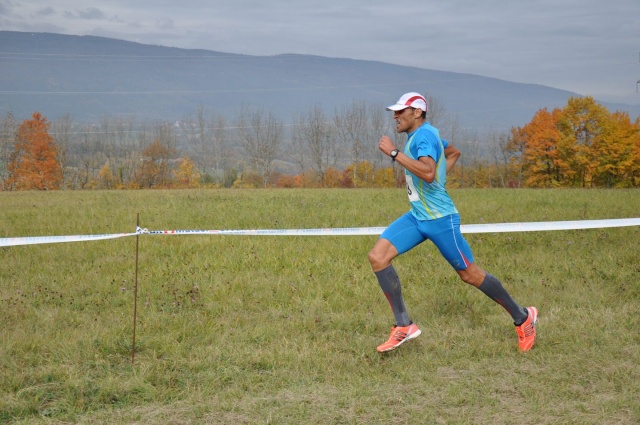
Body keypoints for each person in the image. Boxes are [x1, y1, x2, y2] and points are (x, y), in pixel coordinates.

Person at [369, 92, 538, 353]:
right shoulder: (427, 135)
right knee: (378, 257)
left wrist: (393, 152)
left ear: (417, 113)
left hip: (440, 219)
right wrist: (441, 176)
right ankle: (404, 325)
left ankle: (523, 317)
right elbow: (453, 151)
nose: (395, 115)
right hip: (417, 216)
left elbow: (426, 172)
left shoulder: (424, 135)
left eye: (402, 111)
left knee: (469, 274)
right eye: (395, 111)